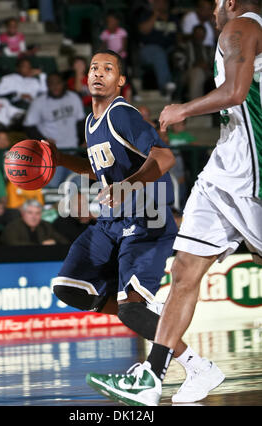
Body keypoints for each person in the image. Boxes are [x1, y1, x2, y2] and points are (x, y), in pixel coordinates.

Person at [87, 0, 262, 406]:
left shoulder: (239, 28)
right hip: (223, 167)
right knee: (184, 270)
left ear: (231, 2)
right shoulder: (239, 32)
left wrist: (184, 108)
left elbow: (235, 92)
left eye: (217, 2)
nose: (213, 9)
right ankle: (153, 375)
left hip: (252, 172)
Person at [48, 49, 221, 402]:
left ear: (120, 81)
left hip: (146, 222)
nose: (98, 73)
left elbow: (165, 156)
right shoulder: (91, 121)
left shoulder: (121, 114)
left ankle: (194, 363)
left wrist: (128, 186)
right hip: (112, 222)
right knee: (70, 288)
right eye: (94, 67)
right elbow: (99, 168)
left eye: (108, 68)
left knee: (130, 310)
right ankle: (150, 315)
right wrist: (60, 159)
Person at [24, 72, 85, 187]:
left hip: (73, 152)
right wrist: (43, 140)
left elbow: (81, 122)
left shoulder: (73, 97)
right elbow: (29, 127)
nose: (55, 86)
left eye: (58, 83)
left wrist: (84, 140)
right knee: (52, 189)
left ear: (63, 84)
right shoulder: (39, 102)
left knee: (77, 190)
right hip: (51, 155)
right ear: (47, 86)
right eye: (51, 84)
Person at [132, 0, 178, 96]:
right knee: (158, 53)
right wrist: (155, 15)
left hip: (169, 50)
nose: (161, 4)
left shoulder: (173, 18)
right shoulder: (147, 15)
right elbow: (144, 30)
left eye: (164, 2)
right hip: (148, 50)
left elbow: (179, 37)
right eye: (158, 2)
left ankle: (178, 93)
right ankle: (165, 86)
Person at [0, 199, 68, 246]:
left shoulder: (46, 225)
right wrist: (41, 245)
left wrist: (55, 242)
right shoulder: (12, 227)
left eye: (37, 213)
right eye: (30, 213)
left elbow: (64, 241)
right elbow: (13, 244)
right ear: (23, 213)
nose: (34, 217)